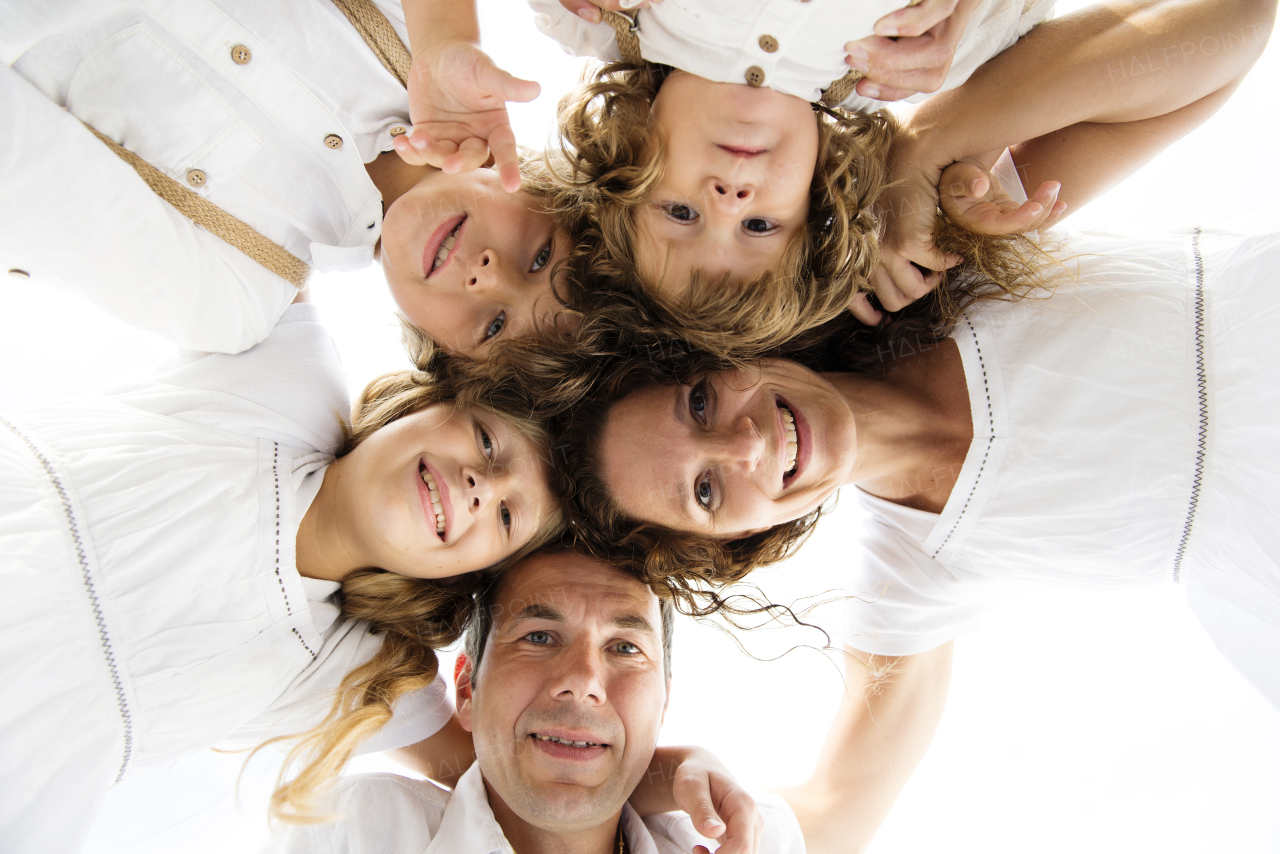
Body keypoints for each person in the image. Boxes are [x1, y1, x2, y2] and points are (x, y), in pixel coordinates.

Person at [459, 0, 1279, 850]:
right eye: (706, 490)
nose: (745, 445)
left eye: (700, 403)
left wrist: (929, 145)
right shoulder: (916, 572)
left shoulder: (945, 263)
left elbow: (1232, 31)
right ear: (736, 540)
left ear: (725, 349)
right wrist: (673, 774)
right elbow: (839, 814)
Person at [0, 301, 564, 854]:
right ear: (429, 402)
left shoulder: (351, 668)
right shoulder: (288, 385)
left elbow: (534, 774)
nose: (480, 486)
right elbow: (295, 217)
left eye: (506, 517)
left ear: (470, 574)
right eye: (487, 442)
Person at [0, 0, 564, 360]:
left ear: (435, 353)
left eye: (494, 327)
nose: (488, 278)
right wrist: (443, 37)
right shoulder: (424, 31)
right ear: (555, 191)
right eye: (540, 259)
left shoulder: (231, 292)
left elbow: (22, 168)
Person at [264, 548, 805, 854]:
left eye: (624, 647)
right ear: (467, 689)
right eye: (539, 637)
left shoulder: (758, 842)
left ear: (663, 705)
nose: (583, 680)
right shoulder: (352, 832)